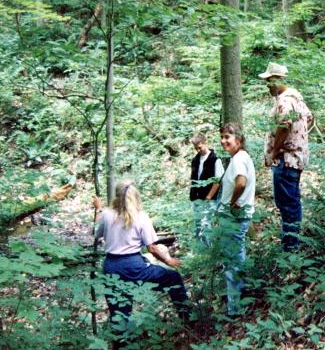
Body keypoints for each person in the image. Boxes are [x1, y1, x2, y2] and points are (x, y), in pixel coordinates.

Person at [93, 180, 192, 336]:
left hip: (111, 266)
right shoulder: (141, 216)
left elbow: (96, 234)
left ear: (116, 196)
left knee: (118, 312)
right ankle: (188, 319)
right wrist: (168, 261)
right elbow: (151, 247)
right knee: (173, 278)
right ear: (136, 196)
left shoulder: (106, 214)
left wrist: (98, 209)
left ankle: (120, 342)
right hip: (134, 266)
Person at [260, 62, 313, 252]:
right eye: (266, 81)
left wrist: (275, 150)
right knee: (292, 203)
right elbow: (309, 118)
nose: (268, 85)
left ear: (279, 79)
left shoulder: (284, 100)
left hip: (286, 160)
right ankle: (293, 244)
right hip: (296, 159)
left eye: (270, 80)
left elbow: (284, 126)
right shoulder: (297, 97)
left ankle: (290, 249)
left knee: (287, 205)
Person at [215, 123, 256, 316]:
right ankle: (240, 301)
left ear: (238, 140)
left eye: (227, 137)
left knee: (232, 261)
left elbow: (241, 182)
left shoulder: (239, 159)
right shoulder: (241, 157)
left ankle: (235, 309)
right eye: (222, 137)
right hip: (236, 216)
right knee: (236, 258)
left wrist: (232, 203)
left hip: (233, 217)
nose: (223, 141)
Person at [189, 133, 224, 246]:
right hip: (196, 199)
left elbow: (217, 181)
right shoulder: (195, 160)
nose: (198, 150)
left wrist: (209, 197)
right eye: (196, 148)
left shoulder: (215, 160)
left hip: (209, 199)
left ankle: (209, 251)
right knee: (198, 226)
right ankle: (200, 253)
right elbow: (194, 178)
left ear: (205, 143)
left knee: (206, 226)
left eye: (199, 147)